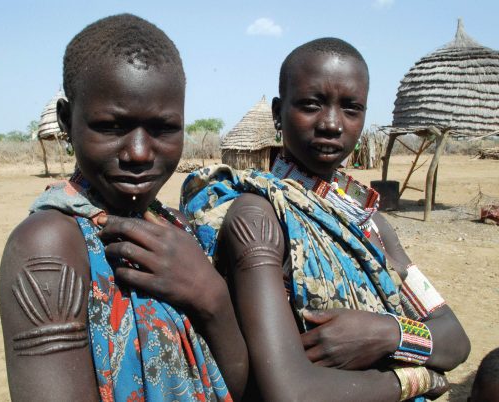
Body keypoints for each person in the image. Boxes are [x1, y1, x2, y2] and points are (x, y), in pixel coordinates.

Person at [181, 38, 470, 401]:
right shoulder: (260, 217)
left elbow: (455, 338)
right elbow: (291, 392)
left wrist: (385, 334)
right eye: (311, 105)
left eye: (351, 108)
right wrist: (417, 380)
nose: (332, 124)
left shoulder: (371, 224)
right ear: (277, 113)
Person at [0, 14, 247, 402]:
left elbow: (239, 386)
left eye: (164, 128)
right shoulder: (48, 245)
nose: (139, 153)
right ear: (67, 120)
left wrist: (211, 295)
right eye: (112, 126)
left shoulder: (177, 229)